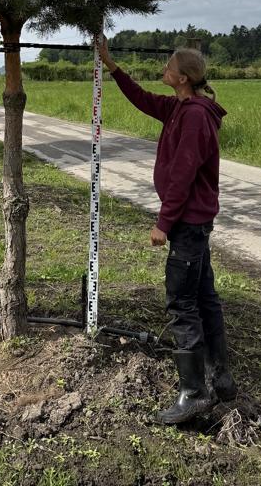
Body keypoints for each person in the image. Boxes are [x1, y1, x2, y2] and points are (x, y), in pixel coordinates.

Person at [97, 38, 238, 425]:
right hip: (192, 222)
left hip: (188, 224)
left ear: (182, 77)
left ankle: (193, 393)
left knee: (182, 303)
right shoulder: (179, 108)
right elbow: (142, 98)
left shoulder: (194, 116)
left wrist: (164, 221)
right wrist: (111, 66)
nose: (164, 68)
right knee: (204, 297)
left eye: (169, 65)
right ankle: (220, 378)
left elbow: (183, 173)